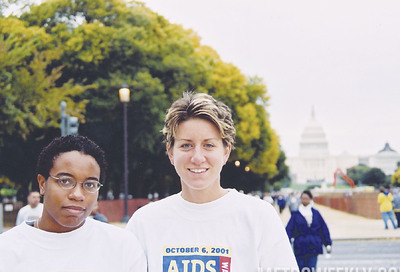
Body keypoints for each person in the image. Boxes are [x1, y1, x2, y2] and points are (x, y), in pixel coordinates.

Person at [126, 92, 297, 271]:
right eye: (186, 145)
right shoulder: (144, 223)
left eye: (208, 145)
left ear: (226, 152)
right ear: (170, 152)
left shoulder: (259, 217)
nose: (198, 158)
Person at [0, 135, 146, 271]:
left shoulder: (122, 246)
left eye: (89, 184)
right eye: (65, 181)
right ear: (42, 184)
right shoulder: (6, 250)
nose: (77, 195)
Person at [286, 190, 332, 272]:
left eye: (306, 198)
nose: (304, 200)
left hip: (313, 247)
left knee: (312, 269)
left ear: (310, 199)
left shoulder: (316, 213)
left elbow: (323, 229)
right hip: (300, 247)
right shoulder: (296, 214)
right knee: (301, 269)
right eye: (303, 198)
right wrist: (286, 244)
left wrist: (327, 243)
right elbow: (289, 230)